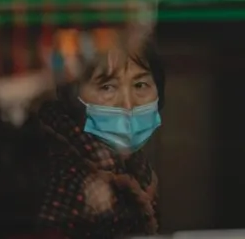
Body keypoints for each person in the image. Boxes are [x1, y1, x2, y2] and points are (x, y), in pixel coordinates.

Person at [36, 26, 165, 239]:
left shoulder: (137, 170)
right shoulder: (70, 180)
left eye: (141, 85)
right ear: (74, 98)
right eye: (107, 87)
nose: (127, 104)